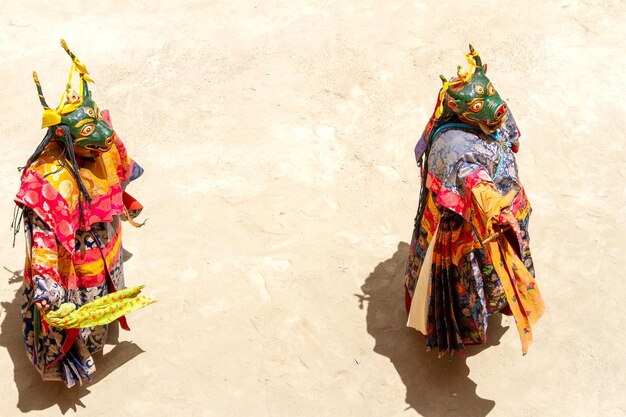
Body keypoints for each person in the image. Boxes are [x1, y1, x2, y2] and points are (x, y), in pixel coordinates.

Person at [13, 40, 150, 387]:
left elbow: (124, 172)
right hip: (72, 263)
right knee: (74, 321)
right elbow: (42, 239)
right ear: (64, 136)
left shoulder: (106, 143)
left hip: (106, 247)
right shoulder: (48, 181)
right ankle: (69, 367)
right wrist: (46, 284)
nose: (104, 137)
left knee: (102, 304)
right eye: (89, 133)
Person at [404, 45, 544, 358]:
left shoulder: (496, 112)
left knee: (501, 265)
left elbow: (511, 137)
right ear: (465, 112)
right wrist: (498, 210)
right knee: (471, 277)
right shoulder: (454, 146)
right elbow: (476, 185)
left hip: (502, 208)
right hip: (471, 223)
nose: (497, 110)